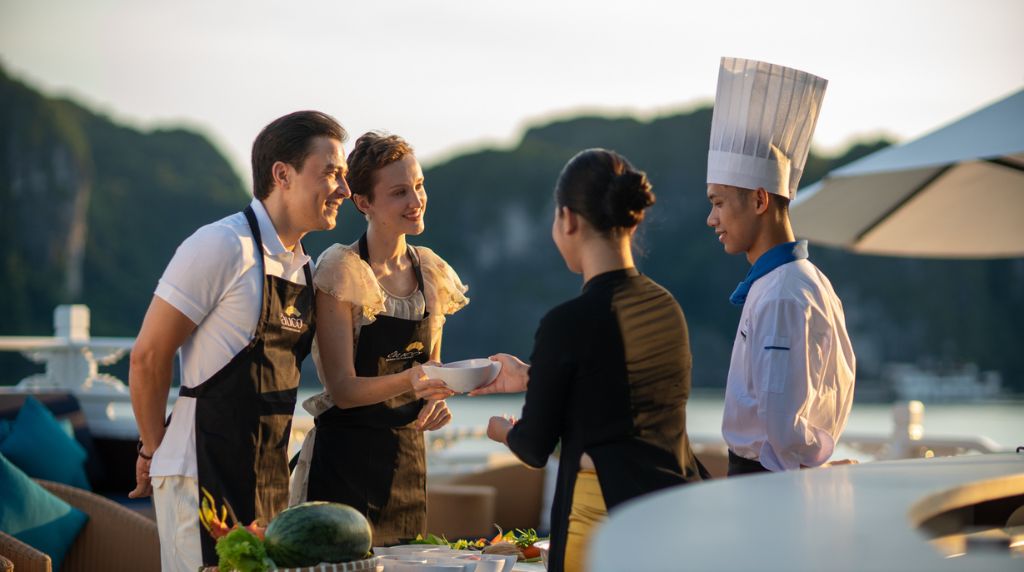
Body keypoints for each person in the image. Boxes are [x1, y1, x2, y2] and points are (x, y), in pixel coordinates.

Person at [128, 111, 351, 570]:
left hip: (266, 478)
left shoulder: (303, 267)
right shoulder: (222, 245)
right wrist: (152, 448)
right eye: (331, 173)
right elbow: (149, 356)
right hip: (201, 474)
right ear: (282, 174)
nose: (344, 190)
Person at [476, 149, 707, 572]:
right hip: (672, 509)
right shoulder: (665, 307)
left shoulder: (567, 322)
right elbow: (621, 394)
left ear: (568, 220)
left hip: (603, 517)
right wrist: (533, 376)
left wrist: (501, 431)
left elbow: (533, 446)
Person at [292, 132, 467, 545]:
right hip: (343, 470)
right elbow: (343, 389)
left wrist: (437, 399)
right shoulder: (341, 269)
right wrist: (414, 380)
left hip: (406, 466)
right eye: (399, 192)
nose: (416, 200)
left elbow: (432, 374)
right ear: (364, 202)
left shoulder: (433, 272)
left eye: (419, 186)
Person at [704, 57, 856, 476]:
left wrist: (799, 470)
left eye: (718, 203)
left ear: (759, 200)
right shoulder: (805, 281)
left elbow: (782, 427)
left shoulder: (782, 292)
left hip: (768, 484)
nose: (711, 219)